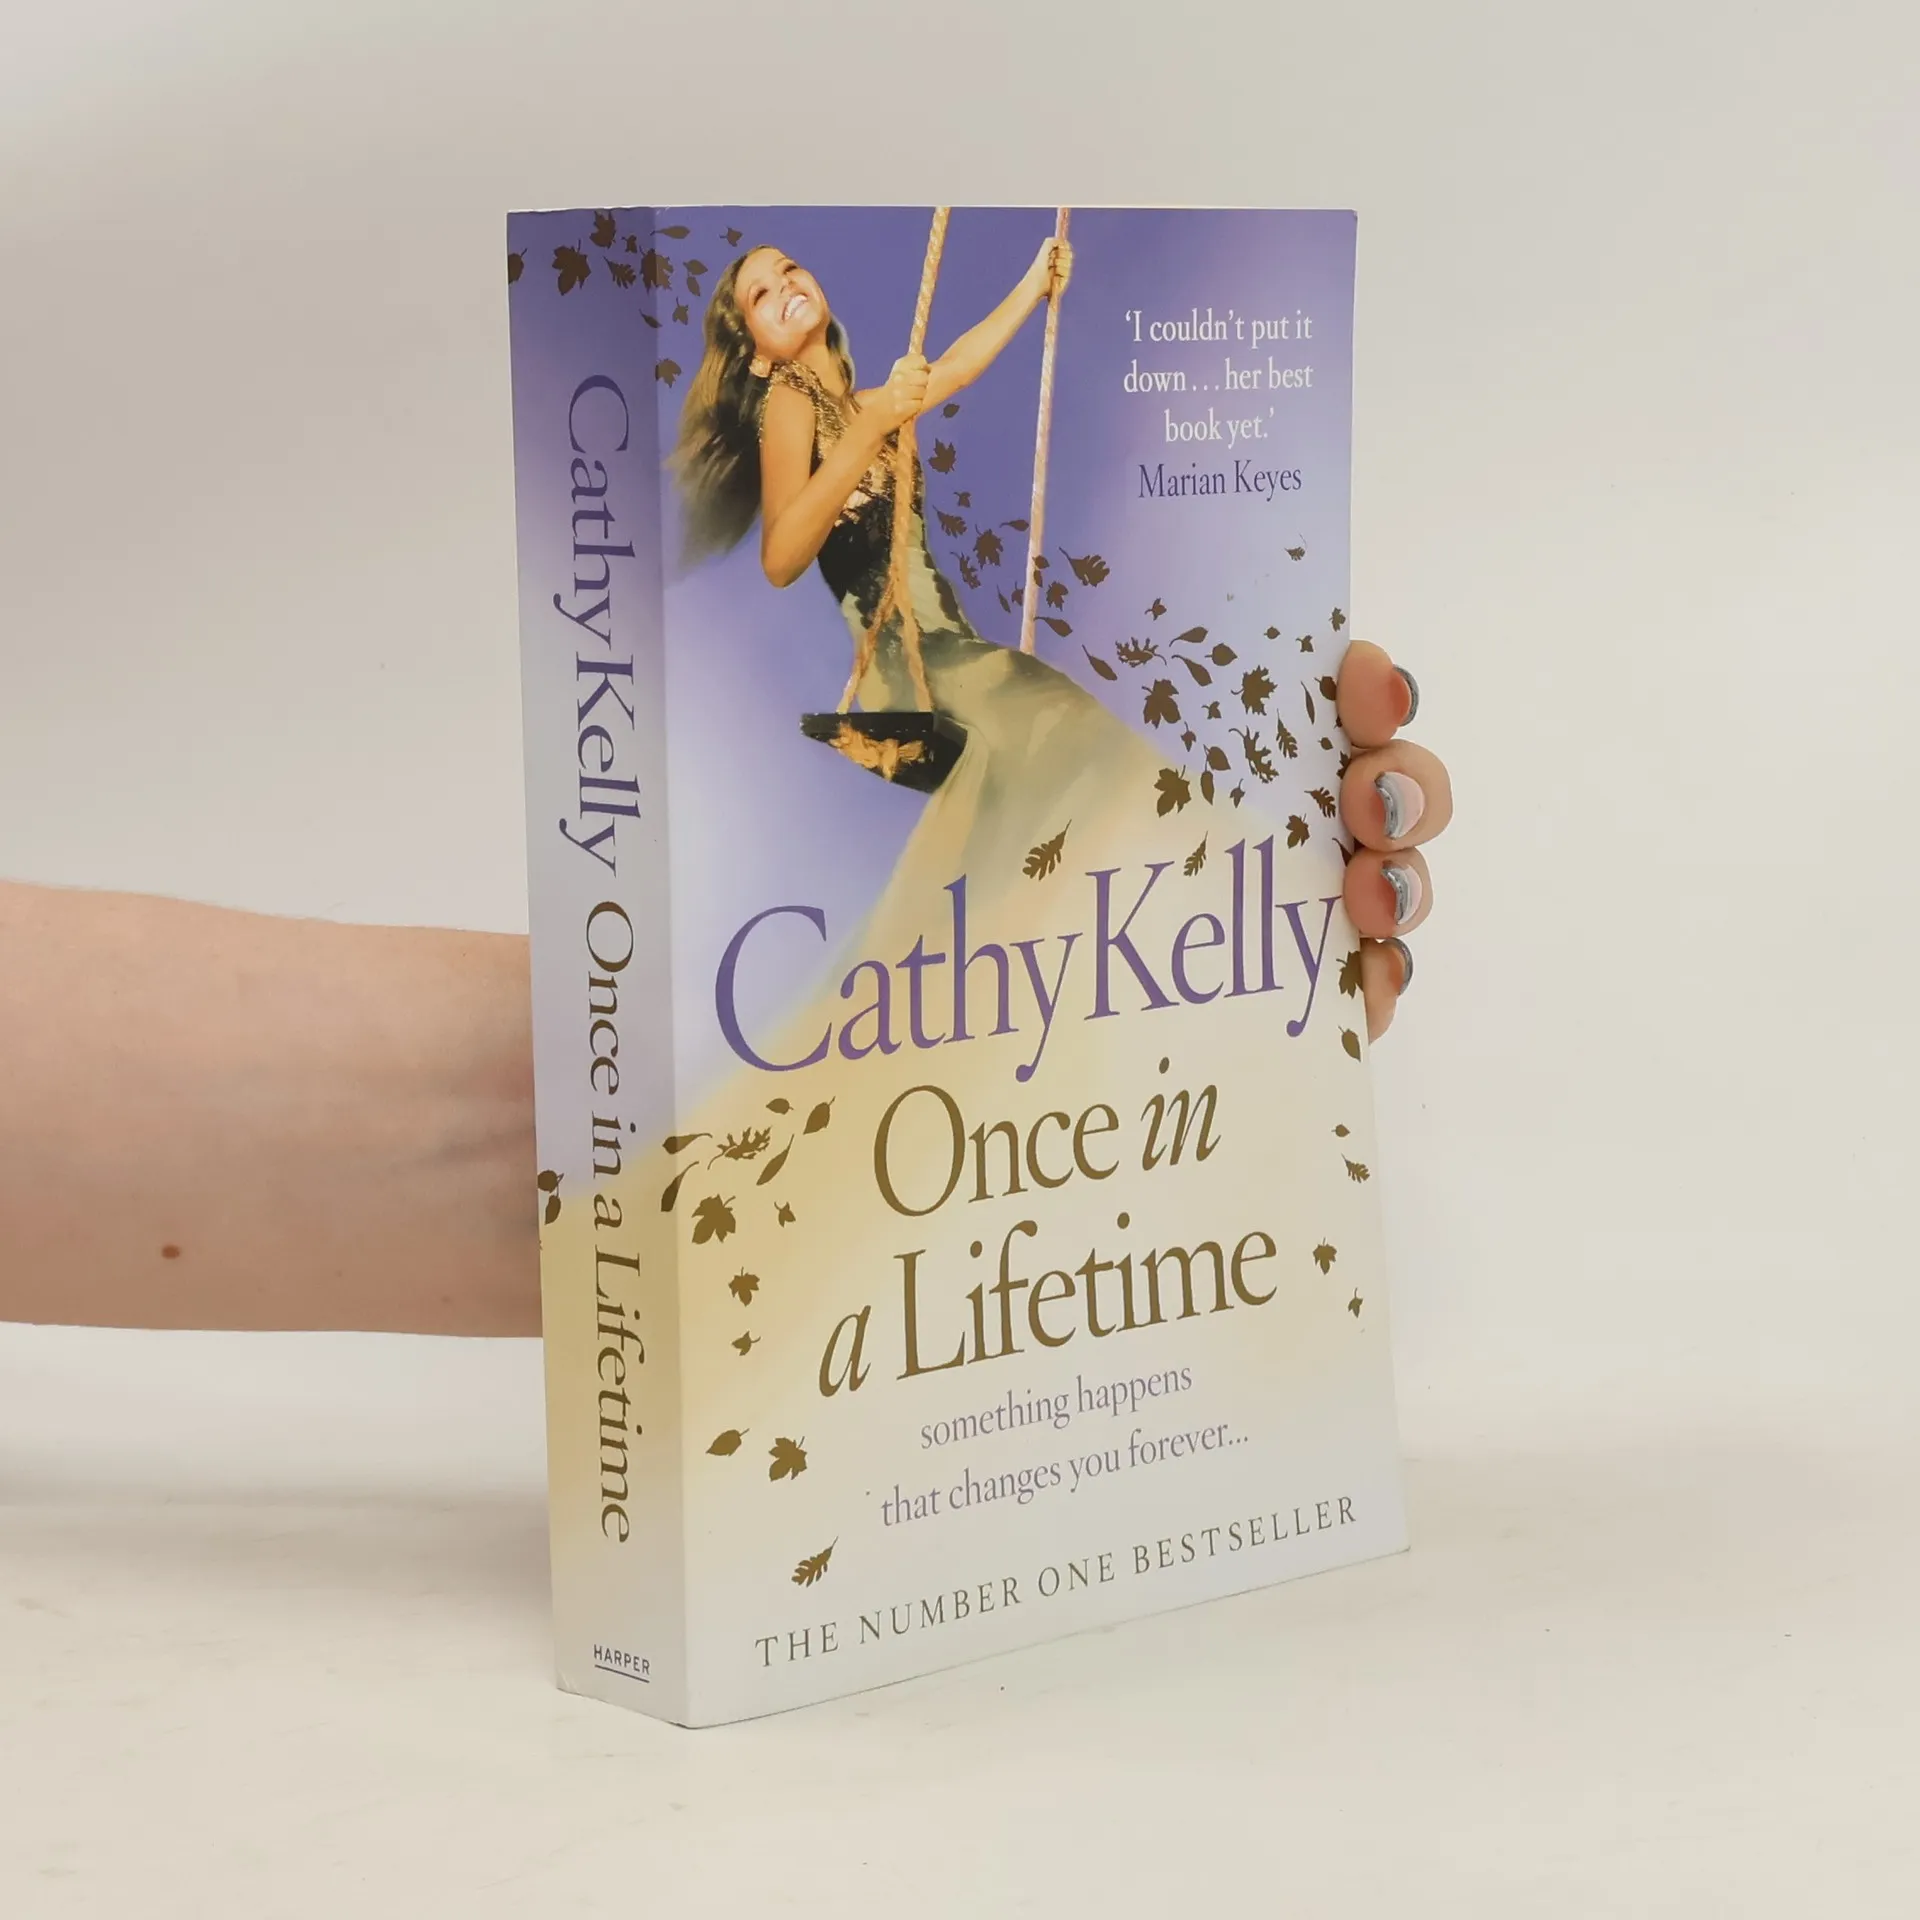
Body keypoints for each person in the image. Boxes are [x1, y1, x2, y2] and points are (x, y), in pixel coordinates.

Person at [0, 242, 1452, 1339]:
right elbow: (782, 547)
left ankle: (1079, 1054)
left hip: (956, 651)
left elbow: (957, 366)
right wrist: (867, 436)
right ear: (745, 342)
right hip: (906, 674)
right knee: (1060, 737)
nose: (786, 292)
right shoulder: (790, 417)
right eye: (758, 295)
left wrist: (1034, 283)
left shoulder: (853, 388)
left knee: (1067, 792)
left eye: (790, 275)